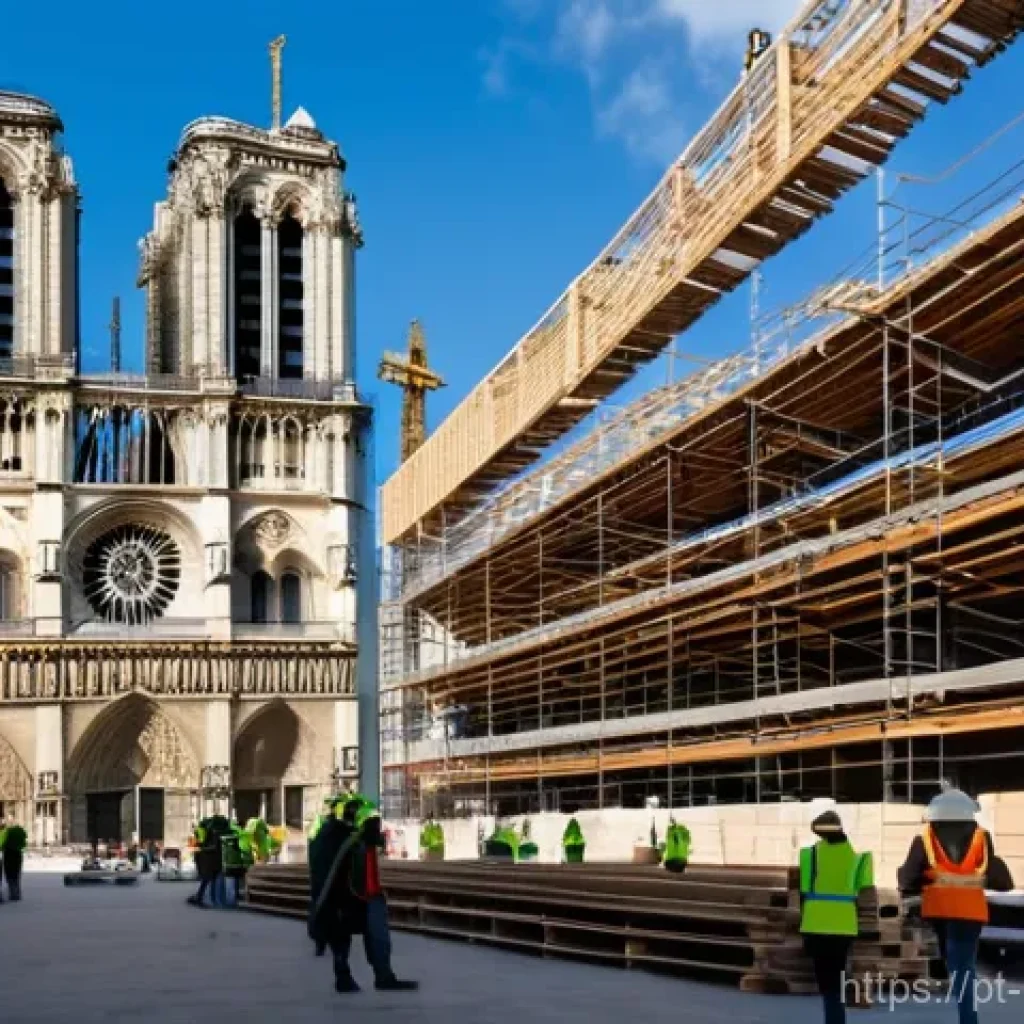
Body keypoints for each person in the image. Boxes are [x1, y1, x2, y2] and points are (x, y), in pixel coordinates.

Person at [899, 788, 1014, 1024]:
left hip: (939, 911)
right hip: (971, 912)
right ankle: (966, 1010)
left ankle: (967, 1015)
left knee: (956, 963)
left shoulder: (925, 837)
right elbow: (992, 872)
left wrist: (914, 886)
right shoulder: (982, 837)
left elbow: (908, 877)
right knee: (964, 964)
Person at [309, 795, 417, 994]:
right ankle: (371, 976)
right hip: (350, 895)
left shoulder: (330, 835)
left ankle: (355, 976)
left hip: (350, 895)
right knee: (358, 933)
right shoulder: (342, 838)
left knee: (355, 934)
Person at [799, 809, 874, 1024]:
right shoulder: (859, 857)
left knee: (827, 985)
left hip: (815, 925)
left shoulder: (809, 855)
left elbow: (804, 890)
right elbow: (865, 890)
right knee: (837, 980)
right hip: (844, 926)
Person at [1, 820, 28, 901]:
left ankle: (13, 894)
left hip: (8, 854)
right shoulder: (21, 831)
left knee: (10, 875)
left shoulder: (7, 832)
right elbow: (24, 843)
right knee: (16, 875)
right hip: (18, 854)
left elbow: (2, 842)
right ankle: (17, 894)